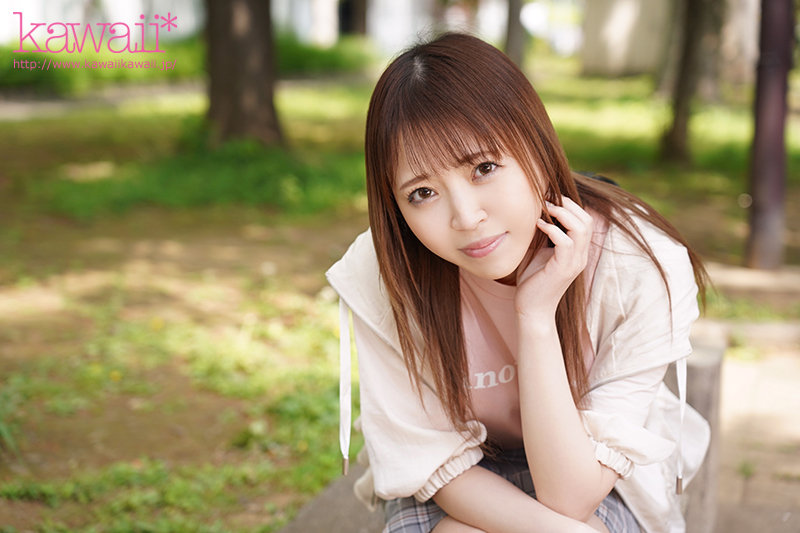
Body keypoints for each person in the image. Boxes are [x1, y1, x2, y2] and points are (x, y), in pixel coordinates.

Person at [326, 33, 710, 533]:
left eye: (483, 168)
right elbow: (437, 465)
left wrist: (536, 317)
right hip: (465, 477)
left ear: (538, 148)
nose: (466, 217)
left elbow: (572, 495)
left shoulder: (633, 264)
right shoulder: (386, 274)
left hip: (595, 470)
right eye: (422, 193)